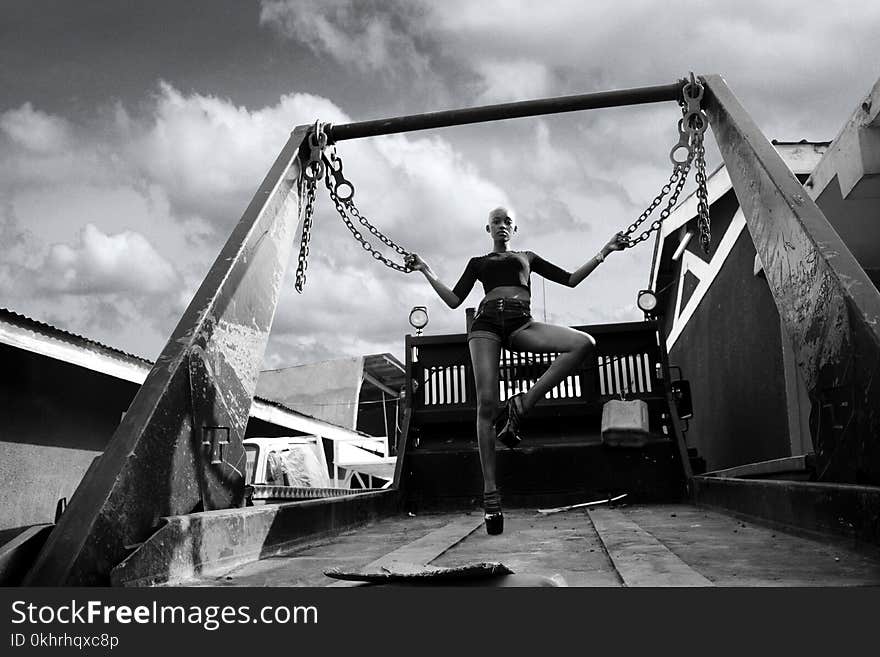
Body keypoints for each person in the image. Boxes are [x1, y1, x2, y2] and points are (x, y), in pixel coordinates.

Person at [405, 206, 628, 535]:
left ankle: (522, 404)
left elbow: (570, 280)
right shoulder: (478, 263)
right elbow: (454, 300)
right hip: (485, 326)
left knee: (583, 344)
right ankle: (491, 494)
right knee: (486, 405)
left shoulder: (528, 257)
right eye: (496, 222)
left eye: (507, 221)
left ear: (515, 227)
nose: (502, 226)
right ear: (488, 229)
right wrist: (426, 270)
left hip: (522, 322)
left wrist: (605, 251)